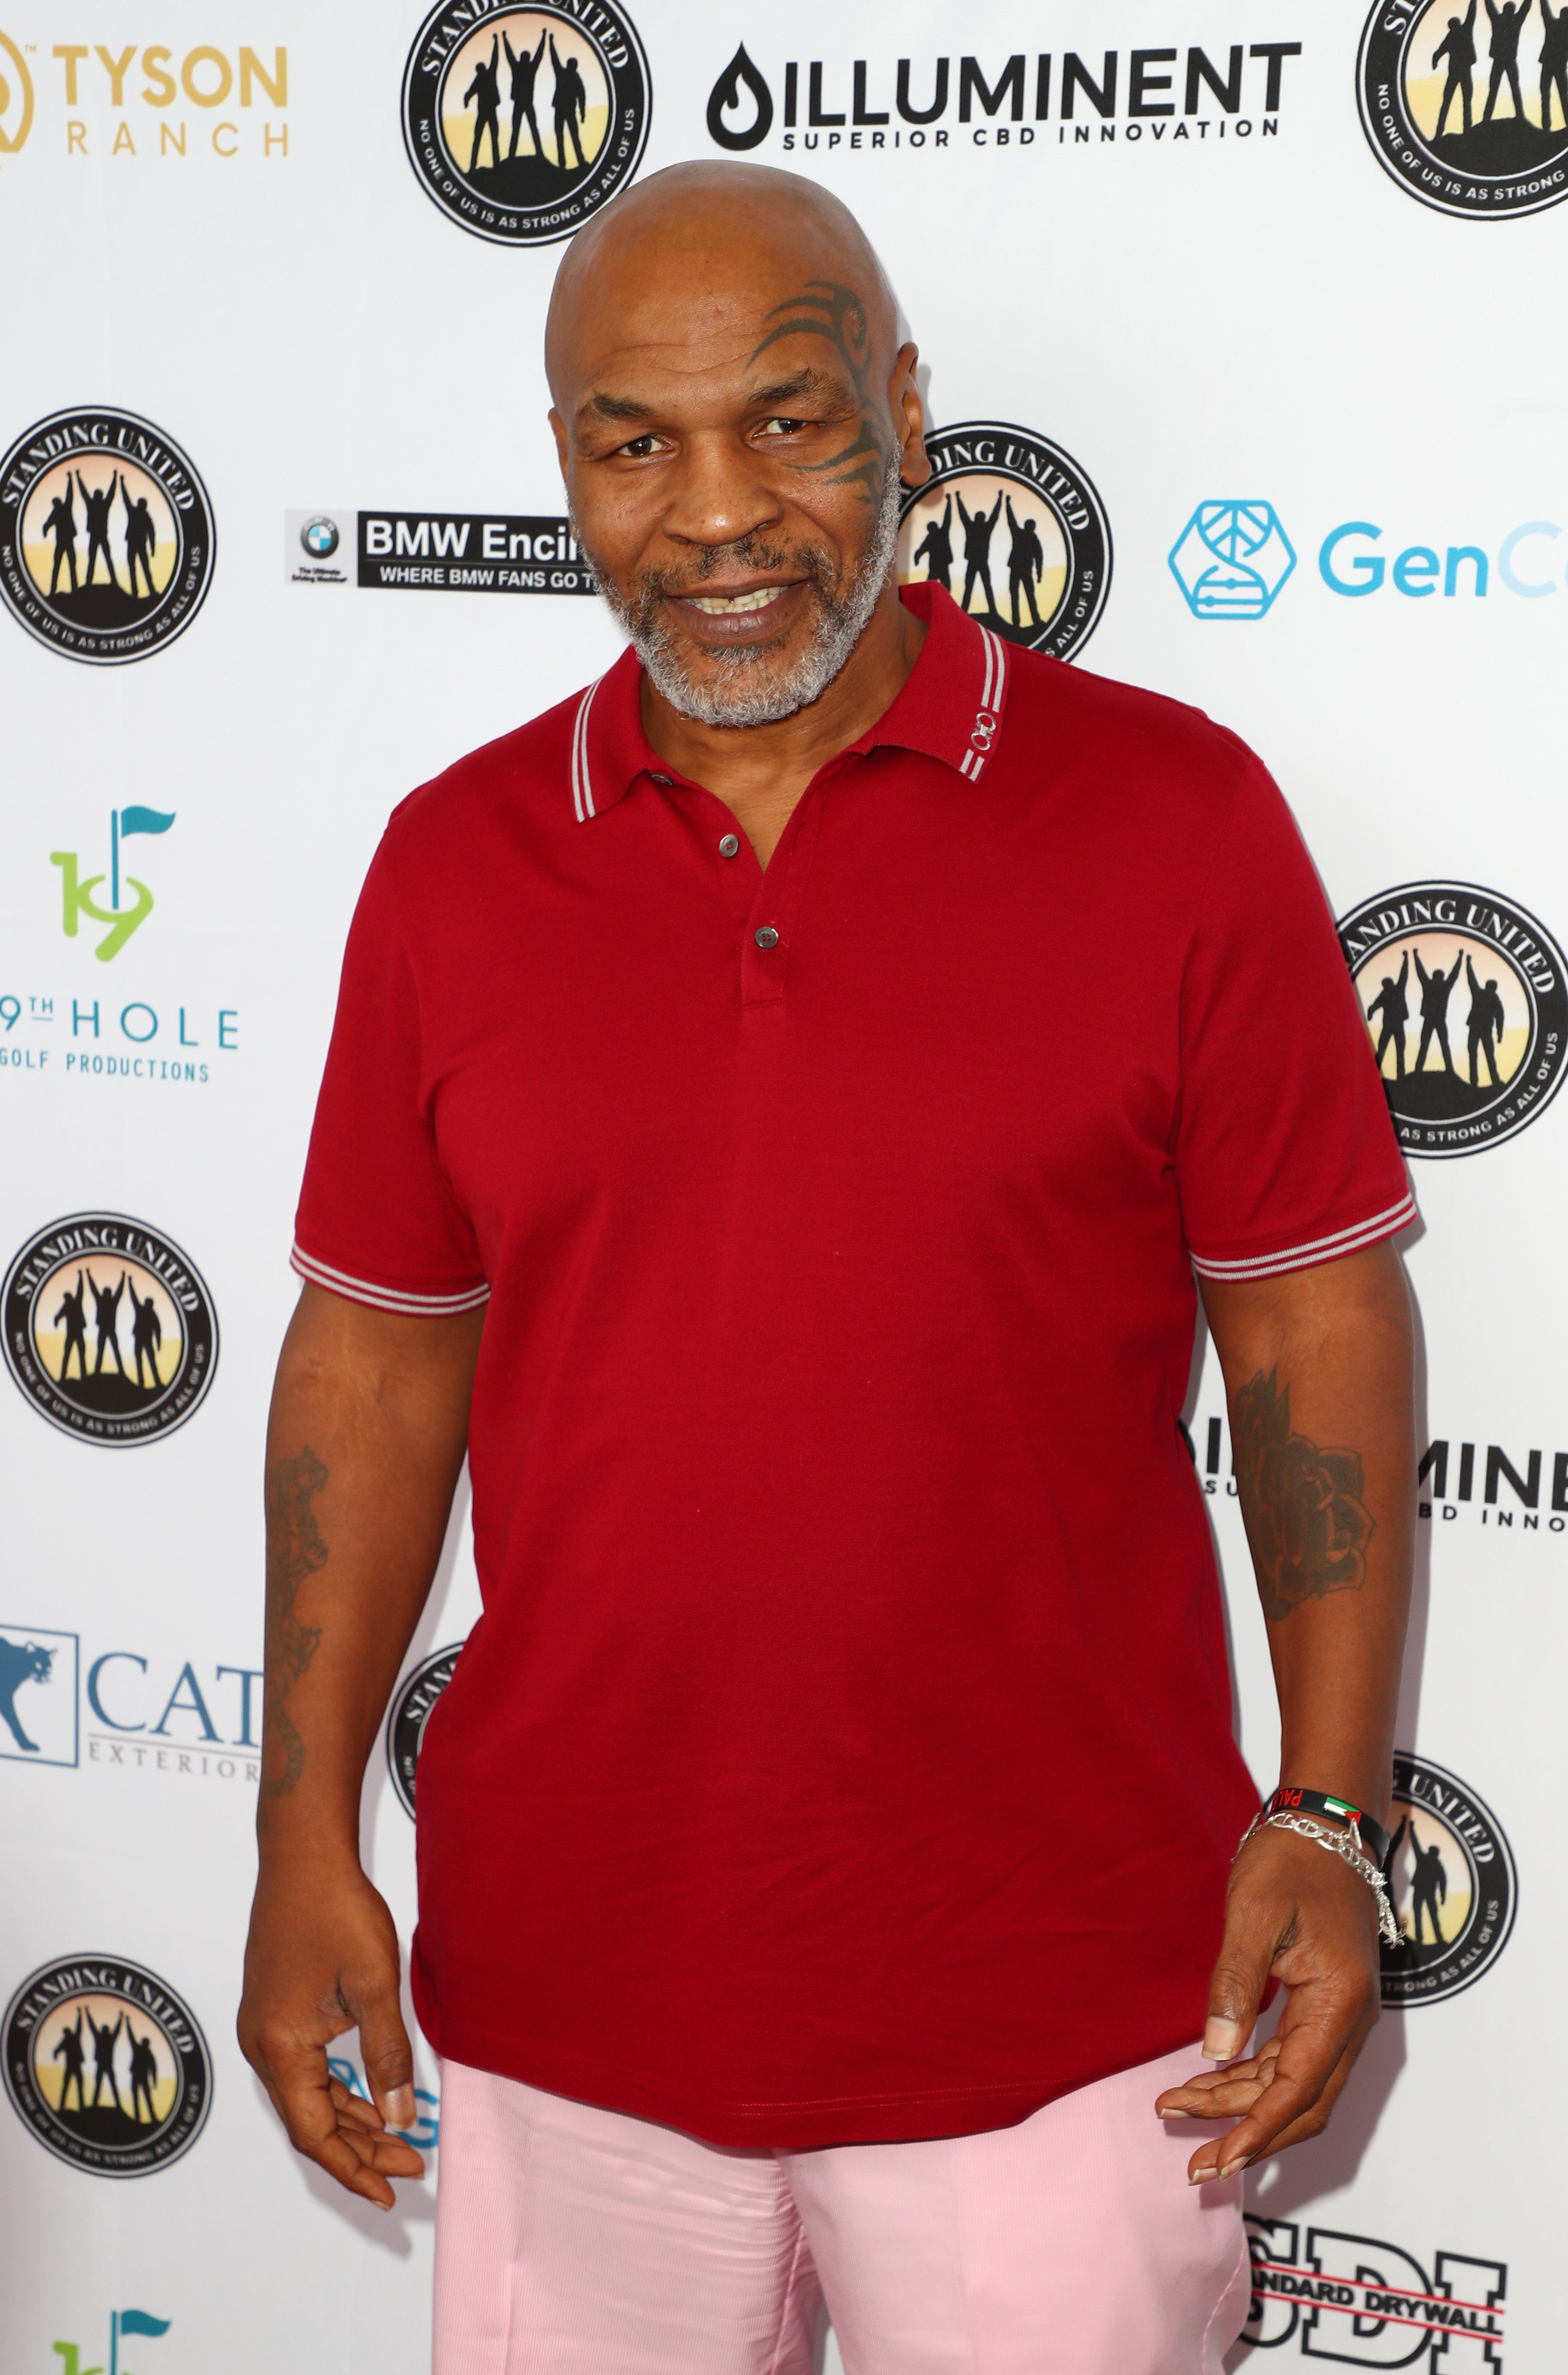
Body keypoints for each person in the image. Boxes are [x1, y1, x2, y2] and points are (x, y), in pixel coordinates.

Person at [240, 164, 1417, 2375]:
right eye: (635, 442)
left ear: (904, 412)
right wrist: (302, 1831)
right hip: (569, 1993)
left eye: (785, 421)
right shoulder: (451, 863)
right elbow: (375, 1368)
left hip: (1066, 1993)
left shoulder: (1172, 817)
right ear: (565, 461)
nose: (715, 513)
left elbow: (1313, 1319)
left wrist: (1330, 1806)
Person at [1432, 0, 1481, 138]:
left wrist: (1435, 62)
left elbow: (1438, 52)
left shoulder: (1456, 34)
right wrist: (1435, 61)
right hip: (1460, 73)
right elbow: (1439, 52)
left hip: (1459, 72)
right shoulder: (1462, 32)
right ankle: (1460, 131)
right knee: (1460, 102)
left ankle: (1445, 132)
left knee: (1456, 102)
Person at [954, 488, 1003, 620]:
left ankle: (967, 610)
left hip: (976, 562)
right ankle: (989, 610)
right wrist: (1000, 499)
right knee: (982, 586)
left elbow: (963, 515)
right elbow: (994, 515)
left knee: (971, 586)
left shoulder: (972, 527)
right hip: (979, 562)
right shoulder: (984, 528)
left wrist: (958, 499)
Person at [1412, 948, 1463, 1074]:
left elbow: (1420, 972)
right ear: (1442, 977)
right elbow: (1454, 974)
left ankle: (1419, 1070)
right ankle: (1449, 1069)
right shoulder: (1444, 986)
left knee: (1425, 1045)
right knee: (1443, 1045)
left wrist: (1416, 956)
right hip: (1438, 1019)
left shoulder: (1428, 985)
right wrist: (1460, 958)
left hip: (1431, 1019)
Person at [501, 24, 547, 163]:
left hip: (524, 102)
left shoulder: (519, 67)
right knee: (528, 128)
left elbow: (510, 55)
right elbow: (538, 55)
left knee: (520, 129)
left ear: (522, 58)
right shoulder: (528, 68)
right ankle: (537, 153)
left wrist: (505, 39)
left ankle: (514, 155)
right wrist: (544, 37)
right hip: (525, 102)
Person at [1483, 0, 1533, 121]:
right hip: (1507, 60)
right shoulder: (1514, 20)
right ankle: (1519, 115)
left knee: (1496, 90)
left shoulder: (1499, 20)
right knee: (1512, 88)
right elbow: (1525, 8)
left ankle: (1487, 118)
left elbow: (1490, 6)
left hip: (1503, 60)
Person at [1367, 950, 1411, 1078]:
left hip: (1396, 1025)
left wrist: (1406, 959)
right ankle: (1374, 1073)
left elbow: (1404, 975)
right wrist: (1370, 1014)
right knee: (1383, 1049)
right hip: (1390, 1025)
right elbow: (1374, 1006)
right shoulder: (1386, 994)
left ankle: (1400, 1076)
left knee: (1398, 1051)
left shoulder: (1397, 990)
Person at [76, 470, 120, 593]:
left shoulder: (95, 504)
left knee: (98, 559)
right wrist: (115, 478)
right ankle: (93, 582)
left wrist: (115, 478)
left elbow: (110, 493)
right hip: (98, 535)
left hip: (99, 535)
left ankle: (96, 582)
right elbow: (110, 493)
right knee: (99, 559)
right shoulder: (99, 505)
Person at [1003, 500, 1045, 631]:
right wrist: (1039, 574)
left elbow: (1011, 521)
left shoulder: (1021, 535)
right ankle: (1031, 620)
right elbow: (1039, 558)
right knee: (1026, 595)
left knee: (1017, 595)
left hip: (1020, 570)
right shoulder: (1031, 538)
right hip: (1023, 570)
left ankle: (1018, 621)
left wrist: (1008, 504)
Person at [462, 37, 500, 176]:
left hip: (489, 111)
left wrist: (496, 43)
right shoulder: (481, 78)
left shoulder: (488, 75)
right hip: (484, 112)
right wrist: (466, 101)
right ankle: (475, 165)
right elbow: (469, 93)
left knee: (492, 138)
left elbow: (495, 60)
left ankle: (496, 164)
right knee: (481, 138)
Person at [549, 35, 588, 172]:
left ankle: (569, 162)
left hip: (565, 110)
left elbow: (582, 97)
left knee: (566, 137)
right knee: (566, 136)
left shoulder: (568, 76)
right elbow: (554, 60)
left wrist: (551, 43)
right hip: (564, 110)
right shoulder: (571, 77)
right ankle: (569, 162)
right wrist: (551, 43)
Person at [1539, 0, 1568, 128]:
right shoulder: (1556, 25)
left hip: (1557, 66)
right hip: (1552, 65)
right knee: (1548, 94)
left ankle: (1566, 122)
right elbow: (1545, 9)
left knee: (1558, 95)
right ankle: (1548, 124)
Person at [1464, 958, 1505, 1088]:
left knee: (1474, 1055)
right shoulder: (1494, 999)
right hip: (1485, 1030)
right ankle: (1494, 1080)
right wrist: (1499, 1034)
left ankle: (1474, 1082)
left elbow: (1471, 980)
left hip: (1477, 1029)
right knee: (1488, 1056)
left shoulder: (1480, 994)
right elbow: (1500, 1018)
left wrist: (1468, 964)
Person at [41, 482, 79, 598]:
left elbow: (70, 495)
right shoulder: (57, 511)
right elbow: (47, 524)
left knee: (69, 565)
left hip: (66, 541)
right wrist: (45, 531)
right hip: (63, 541)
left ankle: (73, 589)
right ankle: (55, 590)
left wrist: (70, 481)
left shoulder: (64, 508)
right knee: (61, 565)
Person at [87, 1268, 126, 1377]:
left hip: (107, 1328)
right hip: (106, 1328)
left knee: (106, 1350)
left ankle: (102, 1371)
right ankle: (101, 1371)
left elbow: (94, 1290)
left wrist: (123, 1278)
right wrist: (123, 1278)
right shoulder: (108, 1301)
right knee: (107, 1350)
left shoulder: (105, 1301)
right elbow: (95, 1289)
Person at [122, 482, 158, 599]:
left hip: (138, 544)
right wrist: (122, 484)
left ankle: (145, 591)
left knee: (140, 568)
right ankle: (140, 592)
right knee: (137, 568)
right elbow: (126, 500)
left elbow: (152, 534)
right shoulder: (141, 515)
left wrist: (153, 548)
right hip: (135, 544)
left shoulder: (143, 516)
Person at [53, 1270, 89, 1381]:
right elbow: (58, 1316)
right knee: (73, 1353)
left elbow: (80, 1290)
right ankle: (68, 1375)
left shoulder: (73, 1303)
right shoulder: (69, 1305)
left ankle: (81, 1375)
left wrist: (81, 1277)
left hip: (76, 1331)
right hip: (74, 1332)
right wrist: (56, 1321)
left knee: (77, 1353)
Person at [52, 2008, 88, 2114]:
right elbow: (57, 2050)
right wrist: (56, 2055)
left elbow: (79, 2027)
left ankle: (79, 2107)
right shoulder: (68, 2040)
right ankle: (64, 2107)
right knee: (71, 2087)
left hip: (75, 2065)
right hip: (73, 2065)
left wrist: (80, 2015)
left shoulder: (71, 2038)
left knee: (76, 2087)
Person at [129, 1281, 163, 1390]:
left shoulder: (150, 1314)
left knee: (149, 1361)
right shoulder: (144, 1311)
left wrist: (158, 1343)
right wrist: (130, 1284)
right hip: (141, 1339)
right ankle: (143, 1383)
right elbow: (134, 1298)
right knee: (142, 1361)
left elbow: (158, 1330)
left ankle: (154, 1382)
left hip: (146, 1340)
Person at [912, 507, 953, 588]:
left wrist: (917, 559)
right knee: (944, 586)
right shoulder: (941, 533)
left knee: (932, 585)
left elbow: (920, 551)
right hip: (941, 565)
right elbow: (947, 519)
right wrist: (949, 505)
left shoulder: (931, 537)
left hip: (936, 565)